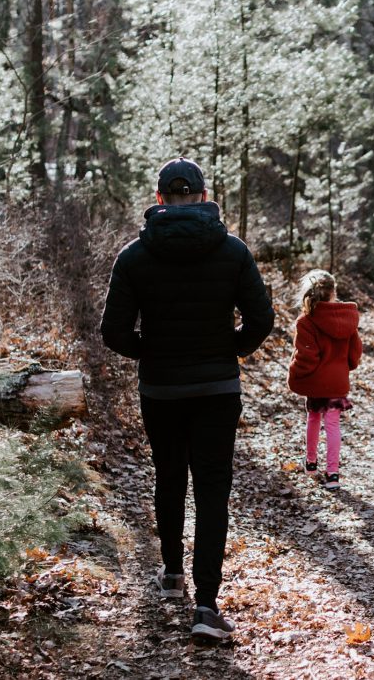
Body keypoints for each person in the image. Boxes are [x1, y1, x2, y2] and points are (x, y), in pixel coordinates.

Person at [100, 157, 274, 641]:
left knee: (169, 474)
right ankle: (206, 605)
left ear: (159, 199)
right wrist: (228, 352)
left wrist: (150, 354)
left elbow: (112, 331)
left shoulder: (134, 255)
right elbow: (262, 320)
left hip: (161, 388)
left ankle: (172, 574)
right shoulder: (232, 251)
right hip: (218, 388)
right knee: (213, 489)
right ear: (202, 197)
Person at [287, 270, 362, 490]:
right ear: (333, 292)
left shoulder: (306, 320)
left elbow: (306, 358)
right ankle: (333, 474)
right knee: (333, 425)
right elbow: (355, 352)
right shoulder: (348, 318)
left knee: (313, 418)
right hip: (337, 381)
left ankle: (311, 463)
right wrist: (343, 367)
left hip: (316, 382)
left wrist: (295, 373)